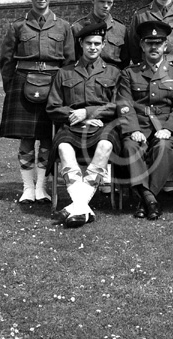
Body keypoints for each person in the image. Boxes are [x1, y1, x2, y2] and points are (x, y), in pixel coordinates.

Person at [0, 0, 75, 204]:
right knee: (26, 138)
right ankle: (27, 188)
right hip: (23, 81)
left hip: (53, 83)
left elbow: (69, 61)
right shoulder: (18, 26)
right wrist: (12, 86)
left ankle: (41, 188)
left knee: (47, 138)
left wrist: (64, 91)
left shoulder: (63, 26)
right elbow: (6, 60)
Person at [45, 22, 120, 228]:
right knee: (63, 147)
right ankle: (82, 207)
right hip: (73, 126)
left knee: (106, 146)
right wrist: (77, 115)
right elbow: (52, 107)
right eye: (89, 43)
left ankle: (75, 206)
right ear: (80, 44)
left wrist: (88, 112)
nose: (93, 47)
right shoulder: (64, 72)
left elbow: (116, 106)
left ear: (104, 44)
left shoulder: (113, 73)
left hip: (102, 126)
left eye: (97, 43)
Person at [117, 20, 173, 219]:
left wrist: (168, 128)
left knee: (164, 147)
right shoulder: (130, 73)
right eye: (149, 43)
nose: (154, 47)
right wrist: (132, 129)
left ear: (165, 46)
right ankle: (151, 200)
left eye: (158, 43)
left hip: (165, 125)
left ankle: (145, 198)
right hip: (139, 124)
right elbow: (124, 104)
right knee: (131, 146)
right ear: (142, 46)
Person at [71, 0, 129, 69]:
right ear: (93, 0)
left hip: (113, 77)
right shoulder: (78, 27)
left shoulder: (120, 29)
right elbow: (72, 58)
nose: (106, 6)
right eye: (102, 2)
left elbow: (125, 60)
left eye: (109, 2)